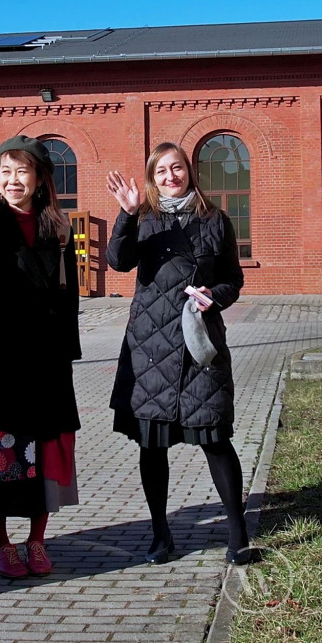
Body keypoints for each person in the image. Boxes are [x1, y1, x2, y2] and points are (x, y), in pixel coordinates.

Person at [106, 142, 251, 566]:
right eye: (162, 171)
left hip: (199, 343)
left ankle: (238, 534)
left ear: (190, 171)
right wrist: (127, 214)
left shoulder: (214, 218)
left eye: (178, 168)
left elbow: (233, 279)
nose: (171, 176)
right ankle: (160, 535)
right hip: (150, 347)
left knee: (215, 437)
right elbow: (118, 261)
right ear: (152, 177)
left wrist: (214, 296)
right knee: (152, 446)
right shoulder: (144, 217)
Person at [0, 135, 82, 580]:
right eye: (5, 172)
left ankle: (36, 541)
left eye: (21, 171)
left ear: (40, 179)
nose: (12, 180)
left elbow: (71, 301)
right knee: (0, 456)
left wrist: (68, 358)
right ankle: (1, 544)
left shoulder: (60, 231)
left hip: (47, 366)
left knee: (45, 454)